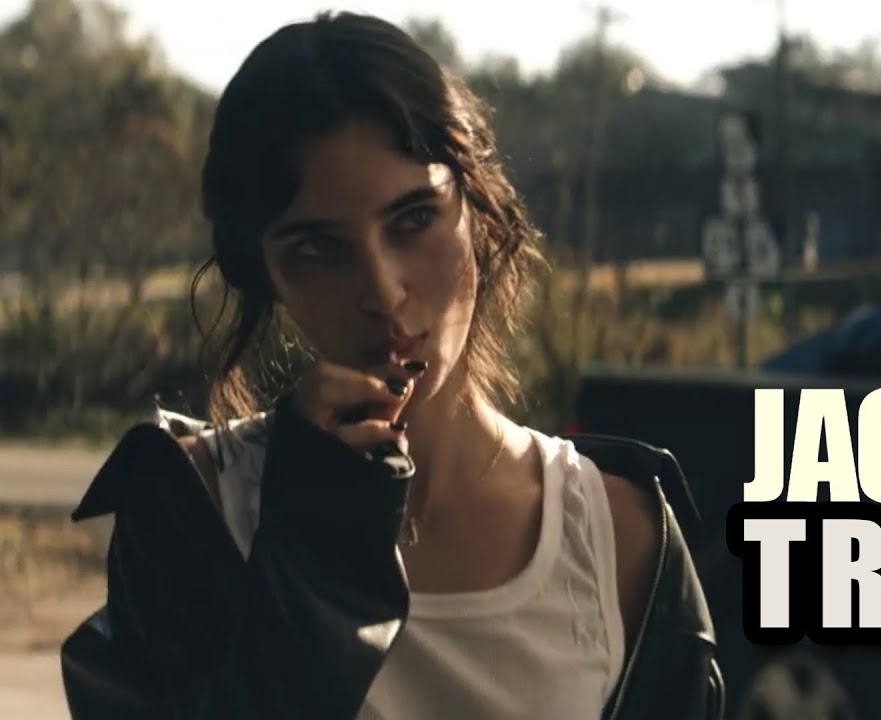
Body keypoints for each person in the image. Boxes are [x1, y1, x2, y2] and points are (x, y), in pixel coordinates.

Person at [59, 11, 723, 720]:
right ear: (266, 275)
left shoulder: (619, 536)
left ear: (477, 209)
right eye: (318, 248)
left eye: (413, 219)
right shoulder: (196, 510)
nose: (381, 291)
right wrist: (311, 555)